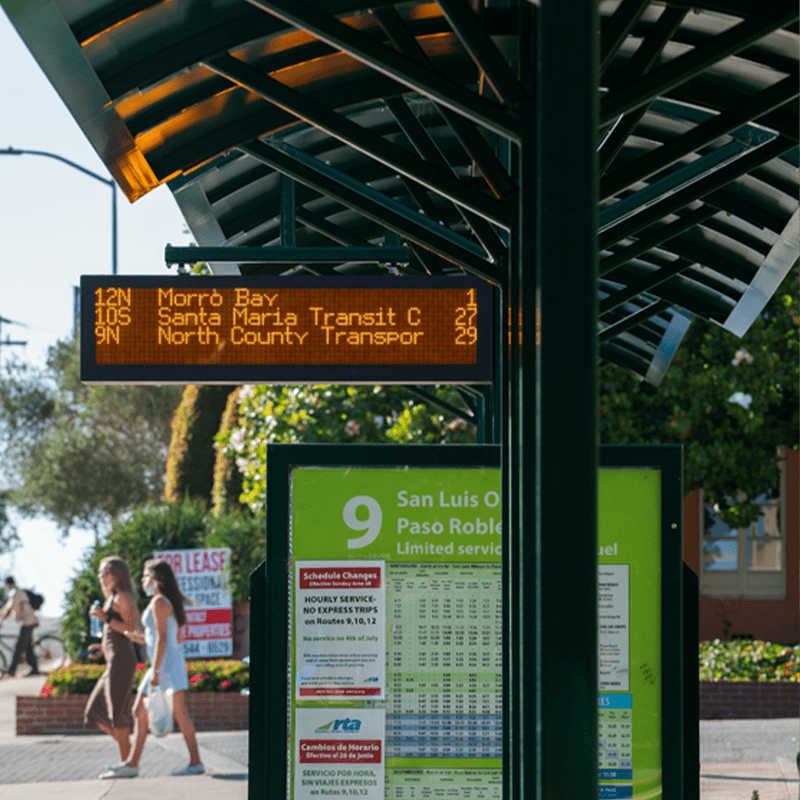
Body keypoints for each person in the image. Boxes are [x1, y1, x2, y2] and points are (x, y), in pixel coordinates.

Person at [105, 558, 203, 779]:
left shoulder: (160, 601)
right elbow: (163, 636)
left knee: (180, 715)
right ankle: (131, 764)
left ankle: (196, 762)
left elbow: (163, 639)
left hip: (165, 668)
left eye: (144, 576)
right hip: (161, 666)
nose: (141, 580)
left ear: (154, 579)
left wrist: (157, 672)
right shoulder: (162, 601)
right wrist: (139, 637)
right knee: (139, 710)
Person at [84, 556, 139, 773]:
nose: (101, 577)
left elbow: (129, 629)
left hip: (122, 661)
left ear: (117, 574)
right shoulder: (110, 598)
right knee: (93, 711)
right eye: (99, 573)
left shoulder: (121, 597)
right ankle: (130, 754)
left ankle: (127, 763)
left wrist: (104, 618)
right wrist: (102, 647)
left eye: (104, 573)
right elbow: (114, 634)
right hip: (112, 661)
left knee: (116, 714)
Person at [0, 577, 39, 677]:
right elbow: (6, 607)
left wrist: (1, 620)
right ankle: (34, 669)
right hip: (27, 621)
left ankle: (12, 670)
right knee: (28, 648)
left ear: (7, 584)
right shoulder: (16, 592)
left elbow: (9, 608)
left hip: (28, 622)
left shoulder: (15, 592)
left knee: (20, 647)